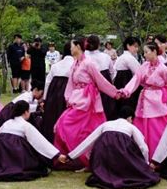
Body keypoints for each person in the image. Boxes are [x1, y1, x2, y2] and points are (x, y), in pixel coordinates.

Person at [53, 37, 120, 170]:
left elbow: (100, 80)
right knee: (63, 125)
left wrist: (115, 93)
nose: (70, 48)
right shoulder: (75, 63)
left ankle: (87, 159)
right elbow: (70, 84)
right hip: (77, 99)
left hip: (87, 100)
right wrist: (68, 98)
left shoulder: (88, 63)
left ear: (78, 46)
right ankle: (78, 158)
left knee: (80, 129)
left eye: (72, 46)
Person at [67, 106, 160, 189]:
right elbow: (143, 148)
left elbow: (87, 142)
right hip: (121, 158)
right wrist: (145, 165)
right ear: (130, 118)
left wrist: (70, 156)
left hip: (102, 157)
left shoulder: (106, 124)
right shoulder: (131, 127)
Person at [0, 101, 68, 182]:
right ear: (26, 112)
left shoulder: (7, 123)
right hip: (14, 152)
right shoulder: (25, 125)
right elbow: (40, 141)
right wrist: (57, 155)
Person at [119, 42, 167, 160]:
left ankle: (159, 155)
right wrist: (126, 91)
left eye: (147, 52)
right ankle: (143, 153)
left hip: (158, 100)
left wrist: (163, 92)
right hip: (145, 98)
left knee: (157, 125)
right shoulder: (144, 66)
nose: (144, 54)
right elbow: (136, 80)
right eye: (144, 52)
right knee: (143, 123)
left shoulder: (164, 68)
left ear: (154, 51)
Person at [42, 42, 74, 143]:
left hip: (53, 93)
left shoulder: (56, 65)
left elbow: (47, 82)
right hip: (69, 93)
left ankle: (51, 139)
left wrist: (45, 99)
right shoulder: (76, 65)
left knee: (53, 117)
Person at [85, 35, 117, 120]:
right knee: (106, 107)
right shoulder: (105, 56)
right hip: (104, 82)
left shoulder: (84, 57)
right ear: (99, 45)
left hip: (89, 84)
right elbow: (112, 72)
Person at [112, 37, 142, 114]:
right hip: (127, 83)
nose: (137, 49)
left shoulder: (121, 57)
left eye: (137, 47)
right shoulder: (129, 58)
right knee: (129, 103)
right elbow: (139, 72)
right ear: (128, 46)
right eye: (135, 46)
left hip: (119, 83)